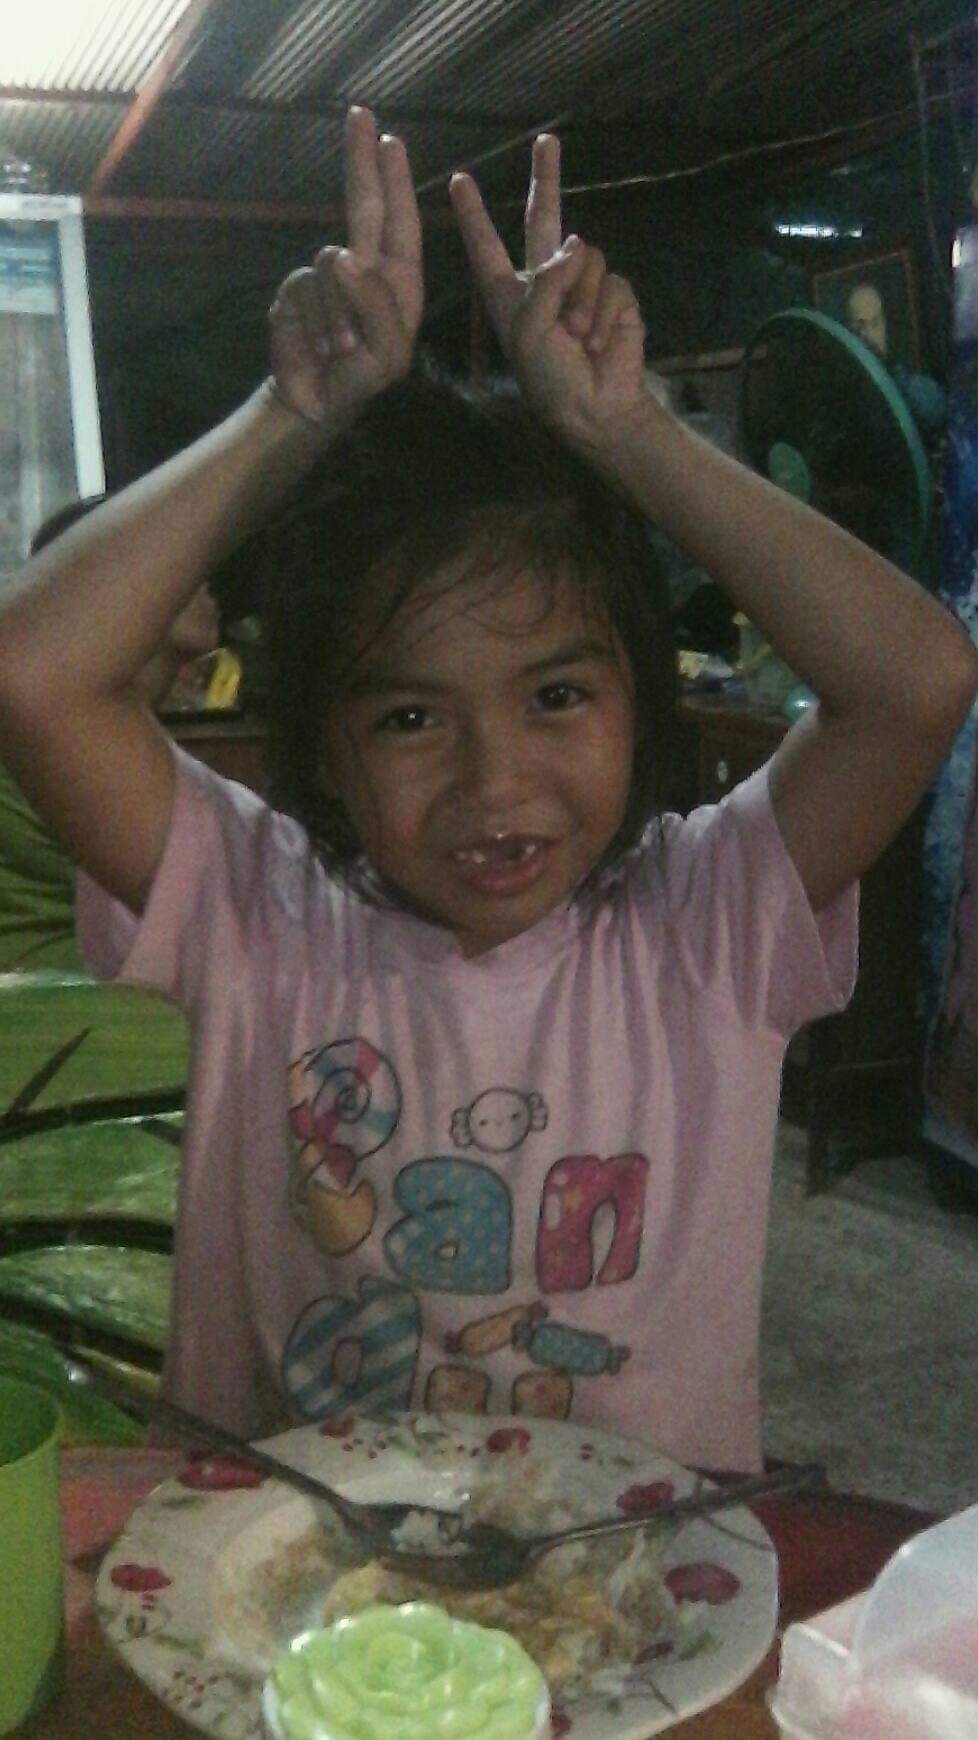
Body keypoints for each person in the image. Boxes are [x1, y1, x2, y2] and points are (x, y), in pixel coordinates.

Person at [0, 110, 973, 1471]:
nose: (492, 781)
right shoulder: (259, 915)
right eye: (409, 717)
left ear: (640, 699)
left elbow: (919, 680)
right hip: (276, 1575)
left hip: (629, 1583)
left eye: (556, 696)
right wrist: (293, 415)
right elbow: (33, 671)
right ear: (325, 746)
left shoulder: (704, 924)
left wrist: (628, 432)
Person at [0, 497, 220, 970]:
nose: (203, 576)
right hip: (58, 1004)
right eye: (177, 558)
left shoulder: (107, 731)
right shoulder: (49, 734)